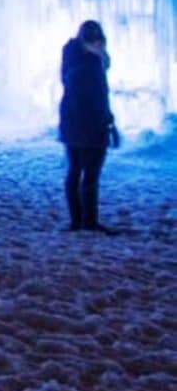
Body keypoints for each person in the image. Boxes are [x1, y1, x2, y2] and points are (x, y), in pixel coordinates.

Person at [59, 20, 118, 233]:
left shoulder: (76, 58)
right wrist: (104, 119)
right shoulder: (86, 64)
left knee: (77, 172)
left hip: (75, 123)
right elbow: (94, 97)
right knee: (87, 174)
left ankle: (80, 221)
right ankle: (85, 221)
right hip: (87, 125)